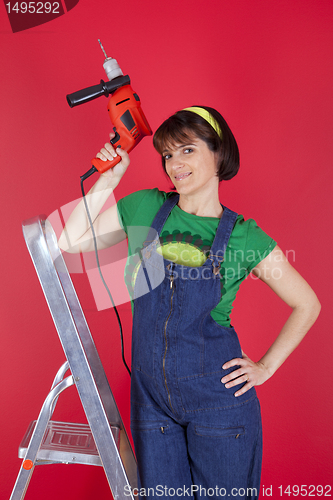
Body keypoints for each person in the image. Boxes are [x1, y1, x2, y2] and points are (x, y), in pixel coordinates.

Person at [58, 106, 320, 499]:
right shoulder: (145, 206)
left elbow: (307, 304)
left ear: (218, 154)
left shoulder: (244, 237)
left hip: (219, 406)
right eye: (167, 154)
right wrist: (107, 180)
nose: (174, 164)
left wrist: (265, 367)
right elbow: (70, 242)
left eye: (186, 150)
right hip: (152, 406)